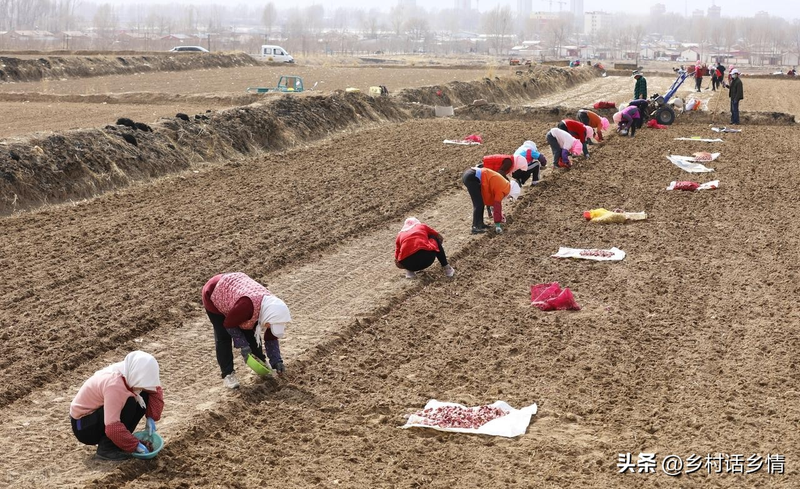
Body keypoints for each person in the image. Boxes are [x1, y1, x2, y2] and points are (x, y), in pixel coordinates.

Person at [202, 272, 291, 389]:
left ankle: (261, 362)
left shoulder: (272, 312)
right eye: (270, 325)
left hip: (237, 299)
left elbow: (271, 337)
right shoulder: (247, 306)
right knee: (223, 336)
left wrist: (277, 360)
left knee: (251, 333)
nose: (268, 327)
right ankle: (228, 374)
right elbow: (228, 324)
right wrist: (243, 345)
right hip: (215, 292)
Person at [70, 351, 164, 461]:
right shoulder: (115, 385)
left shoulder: (130, 372)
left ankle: (117, 442)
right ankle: (107, 449)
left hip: (98, 417)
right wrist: (134, 445)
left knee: (144, 394)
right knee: (129, 403)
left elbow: (155, 390)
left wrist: (151, 417)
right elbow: (112, 426)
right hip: (83, 426)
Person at [462, 166, 520, 234]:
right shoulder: (503, 189)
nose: (508, 198)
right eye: (510, 196)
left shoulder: (505, 185)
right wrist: (498, 225)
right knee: (478, 204)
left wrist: (500, 215)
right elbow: (497, 206)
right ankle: (475, 227)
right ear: (511, 192)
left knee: (481, 203)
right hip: (472, 177)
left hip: (472, 174)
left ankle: (480, 224)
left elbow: (494, 202)